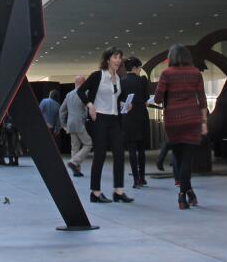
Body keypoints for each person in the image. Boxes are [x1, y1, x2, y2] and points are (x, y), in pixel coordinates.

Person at [77, 48, 134, 203]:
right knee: (100, 155)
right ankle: (95, 193)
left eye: (120, 58)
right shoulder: (98, 76)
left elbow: (117, 98)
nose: (118, 60)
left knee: (120, 154)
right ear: (108, 59)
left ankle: (119, 191)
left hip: (115, 119)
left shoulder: (119, 77)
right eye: (115, 57)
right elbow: (81, 92)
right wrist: (90, 105)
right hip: (99, 119)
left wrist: (125, 104)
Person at [155, 44, 208, 210]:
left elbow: (157, 98)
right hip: (192, 118)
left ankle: (185, 194)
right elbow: (202, 100)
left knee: (179, 158)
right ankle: (185, 194)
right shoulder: (196, 73)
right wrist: (204, 122)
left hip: (173, 120)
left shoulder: (166, 74)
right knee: (187, 160)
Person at [120, 57, 151, 188]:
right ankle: (142, 177)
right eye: (139, 68)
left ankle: (135, 180)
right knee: (141, 149)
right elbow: (146, 98)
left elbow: (119, 99)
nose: (139, 70)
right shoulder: (142, 81)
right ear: (135, 68)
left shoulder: (122, 82)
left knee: (132, 149)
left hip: (128, 117)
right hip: (141, 116)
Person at [60, 75, 92, 177]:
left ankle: (76, 170)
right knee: (88, 144)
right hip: (79, 123)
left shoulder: (69, 94)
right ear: (83, 83)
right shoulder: (85, 94)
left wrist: (64, 125)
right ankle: (73, 162)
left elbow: (62, 110)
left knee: (75, 147)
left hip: (70, 124)